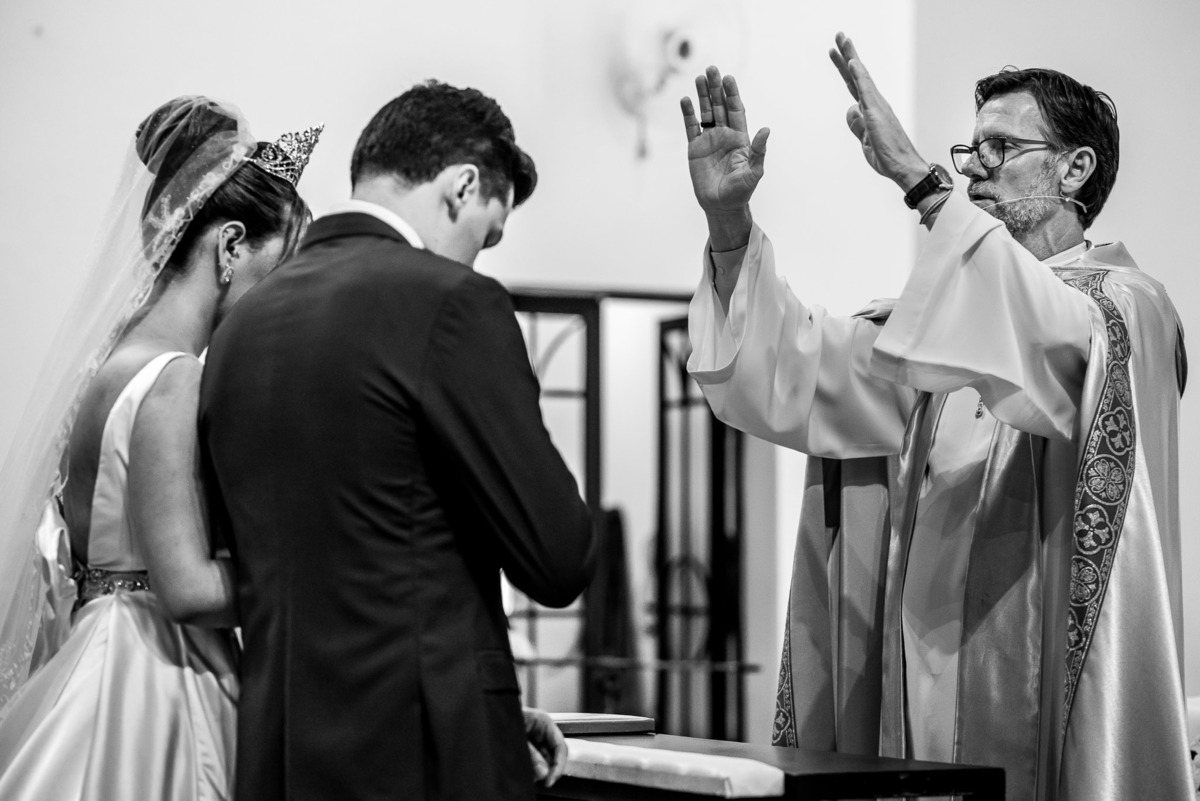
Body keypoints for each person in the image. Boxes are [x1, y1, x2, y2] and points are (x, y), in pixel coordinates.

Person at [682, 34, 1190, 801]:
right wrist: (730, 226)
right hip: (910, 703)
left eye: (1001, 146)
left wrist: (921, 183)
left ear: (1075, 169)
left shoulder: (1122, 312)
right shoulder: (943, 326)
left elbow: (1046, 329)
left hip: (1039, 709)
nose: (974, 165)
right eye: (969, 147)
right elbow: (793, 366)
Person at [198, 80, 596, 801]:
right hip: (420, 757)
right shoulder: (450, 304)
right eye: (488, 233)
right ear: (462, 186)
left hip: (279, 755)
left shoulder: (240, 330)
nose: (480, 259)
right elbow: (557, 555)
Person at [0, 97, 319, 799]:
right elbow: (186, 587)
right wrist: (317, 579)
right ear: (231, 247)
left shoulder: (108, 363)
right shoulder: (175, 378)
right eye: (281, 267)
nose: (281, 296)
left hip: (96, 655)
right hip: (158, 680)